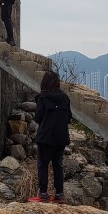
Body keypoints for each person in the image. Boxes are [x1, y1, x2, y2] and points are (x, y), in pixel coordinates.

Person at [28, 70, 71, 203]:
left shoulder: (42, 98)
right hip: (61, 138)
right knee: (58, 165)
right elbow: (69, 118)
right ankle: (59, 195)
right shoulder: (65, 98)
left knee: (43, 165)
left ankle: (43, 194)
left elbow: (38, 118)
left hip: (46, 137)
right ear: (57, 83)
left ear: (44, 82)